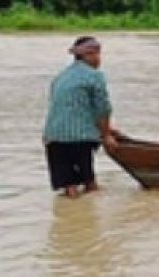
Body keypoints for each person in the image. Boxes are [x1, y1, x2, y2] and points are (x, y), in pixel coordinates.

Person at [43, 36, 118, 198]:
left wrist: (108, 129)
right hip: (79, 137)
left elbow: (69, 108)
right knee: (90, 184)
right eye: (97, 54)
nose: (99, 59)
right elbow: (102, 108)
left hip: (53, 137)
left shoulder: (60, 77)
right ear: (88, 55)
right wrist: (106, 136)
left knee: (70, 188)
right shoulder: (94, 76)